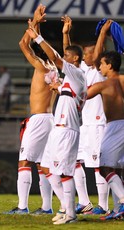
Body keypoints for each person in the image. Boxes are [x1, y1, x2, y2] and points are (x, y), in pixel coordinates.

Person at [27, 17, 87, 224]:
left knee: (64, 173)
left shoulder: (77, 73)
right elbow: (66, 53)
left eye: (68, 57)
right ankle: (65, 205)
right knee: (46, 167)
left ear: (75, 60)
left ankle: (71, 214)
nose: (63, 58)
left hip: (68, 130)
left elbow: (56, 55)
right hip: (58, 129)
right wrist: (65, 34)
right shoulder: (72, 76)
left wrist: (37, 37)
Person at [6, 4, 57, 215]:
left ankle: (22, 206)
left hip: (38, 120)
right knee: (42, 164)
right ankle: (46, 207)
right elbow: (36, 45)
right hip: (50, 118)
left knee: (24, 161)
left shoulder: (40, 65)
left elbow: (23, 44)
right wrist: (36, 30)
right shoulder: (53, 67)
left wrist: (34, 22)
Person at [62, 16, 109, 215]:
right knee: (75, 161)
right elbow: (69, 55)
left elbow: (97, 53)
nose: (85, 56)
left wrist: (103, 34)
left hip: (98, 124)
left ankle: (104, 206)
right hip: (84, 125)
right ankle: (85, 202)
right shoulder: (82, 70)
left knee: (99, 166)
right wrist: (66, 34)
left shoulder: (100, 71)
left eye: (88, 53)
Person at [87, 51, 124, 220]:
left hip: (116, 126)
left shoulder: (105, 84)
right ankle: (119, 211)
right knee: (117, 169)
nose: (99, 66)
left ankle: (123, 202)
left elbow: (82, 95)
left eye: (102, 63)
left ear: (109, 65)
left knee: (104, 167)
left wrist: (59, 87)